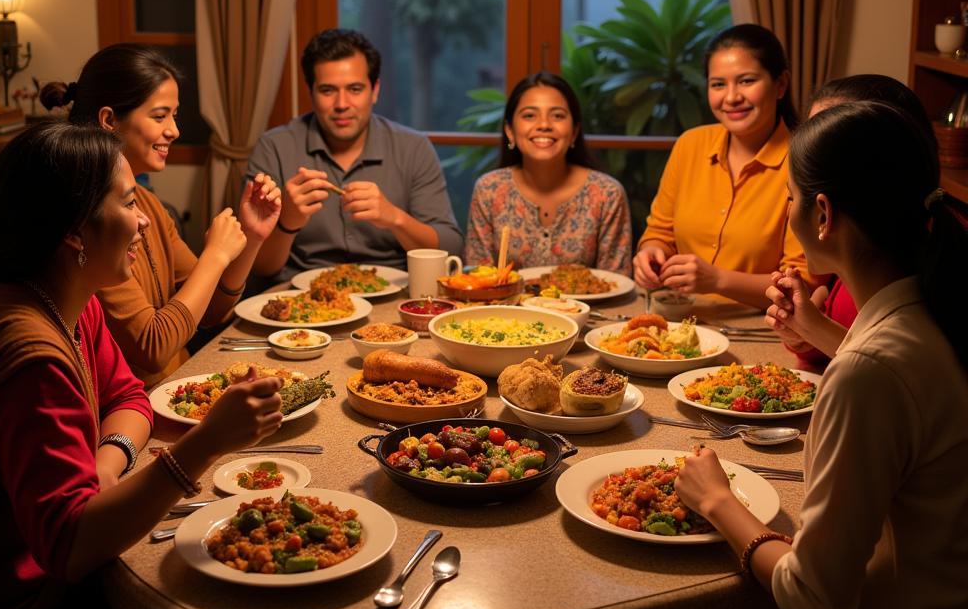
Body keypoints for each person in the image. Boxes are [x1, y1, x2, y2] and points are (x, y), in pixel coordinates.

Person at [0, 122, 281, 609]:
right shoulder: (31, 354)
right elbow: (70, 546)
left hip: (63, 597)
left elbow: (130, 395)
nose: (145, 219)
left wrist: (103, 467)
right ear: (74, 231)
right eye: (128, 203)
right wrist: (203, 445)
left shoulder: (69, 302)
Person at [666, 102, 967, 609]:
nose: (789, 213)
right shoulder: (940, 314)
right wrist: (821, 331)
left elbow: (814, 600)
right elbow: (900, 379)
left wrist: (717, 499)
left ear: (822, 214)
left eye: (792, 199)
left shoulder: (867, 373)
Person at [41, 46, 282, 389]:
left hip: (176, 389)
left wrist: (252, 237)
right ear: (109, 120)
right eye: (159, 116)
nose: (174, 130)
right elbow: (152, 348)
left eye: (174, 115)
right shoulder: (90, 220)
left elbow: (209, 311)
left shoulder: (149, 204)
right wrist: (215, 256)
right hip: (132, 407)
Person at [249, 28, 462, 280]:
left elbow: (451, 248)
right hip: (299, 297)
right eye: (328, 90)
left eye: (355, 89)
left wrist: (395, 218)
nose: (341, 104)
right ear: (311, 92)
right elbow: (258, 269)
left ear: (375, 90)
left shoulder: (413, 147)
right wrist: (287, 222)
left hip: (393, 293)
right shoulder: (274, 148)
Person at [632, 23, 813, 309]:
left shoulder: (805, 162)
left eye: (746, 81)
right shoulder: (690, 145)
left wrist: (717, 280)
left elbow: (803, 283)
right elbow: (660, 233)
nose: (731, 97)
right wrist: (651, 252)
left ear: (780, 85)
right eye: (718, 84)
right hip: (677, 317)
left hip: (765, 330)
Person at [765, 74, 936, 368]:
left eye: (831, 132)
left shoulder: (912, 271)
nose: (814, 148)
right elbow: (850, 349)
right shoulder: (851, 256)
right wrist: (807, 329)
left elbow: (886, 367)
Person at [464, 71, 630, 270]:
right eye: (529, 115)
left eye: (558, 116)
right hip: (503, 303)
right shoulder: (489, 190)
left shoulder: (607, 194)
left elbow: (616, 283)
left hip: (590, 303)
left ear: (574, 131)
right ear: (510, 131)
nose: (544, 125)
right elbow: (477, 277)